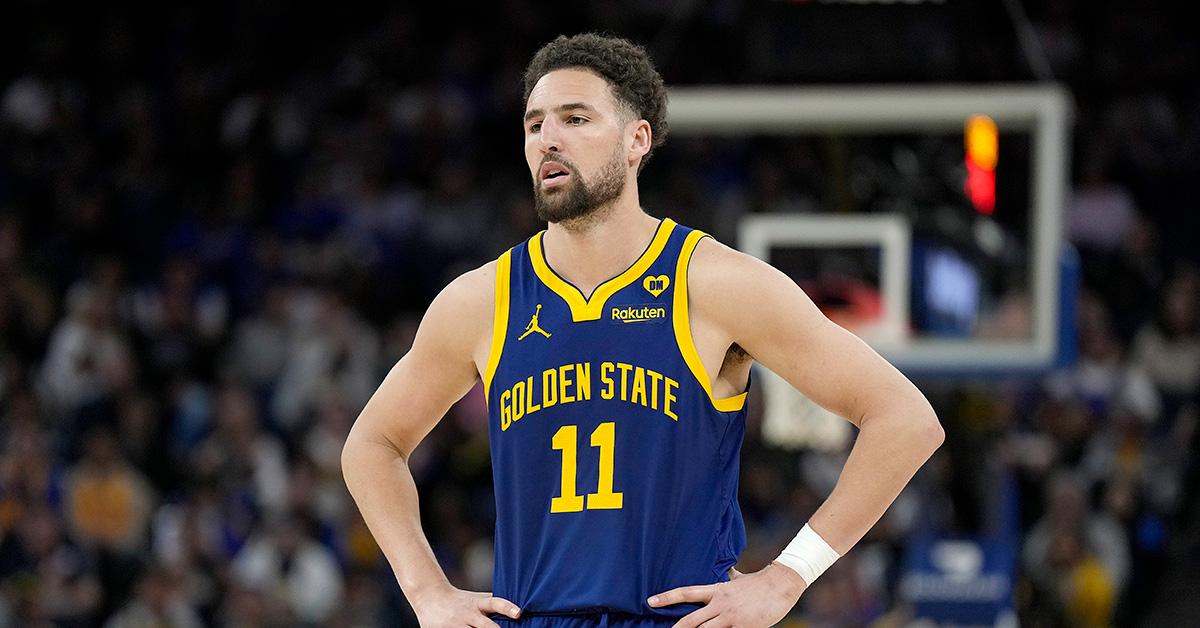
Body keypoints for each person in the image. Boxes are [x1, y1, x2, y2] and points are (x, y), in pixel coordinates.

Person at [341, 33, 944, 628]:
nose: (548, 138)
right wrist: (427, 593)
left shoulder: (715, 283)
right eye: (534, 124)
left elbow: (905, 420)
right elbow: (372, 446)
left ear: (637, 140)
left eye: (575, 118)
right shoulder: (481, 301)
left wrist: (788, 577)